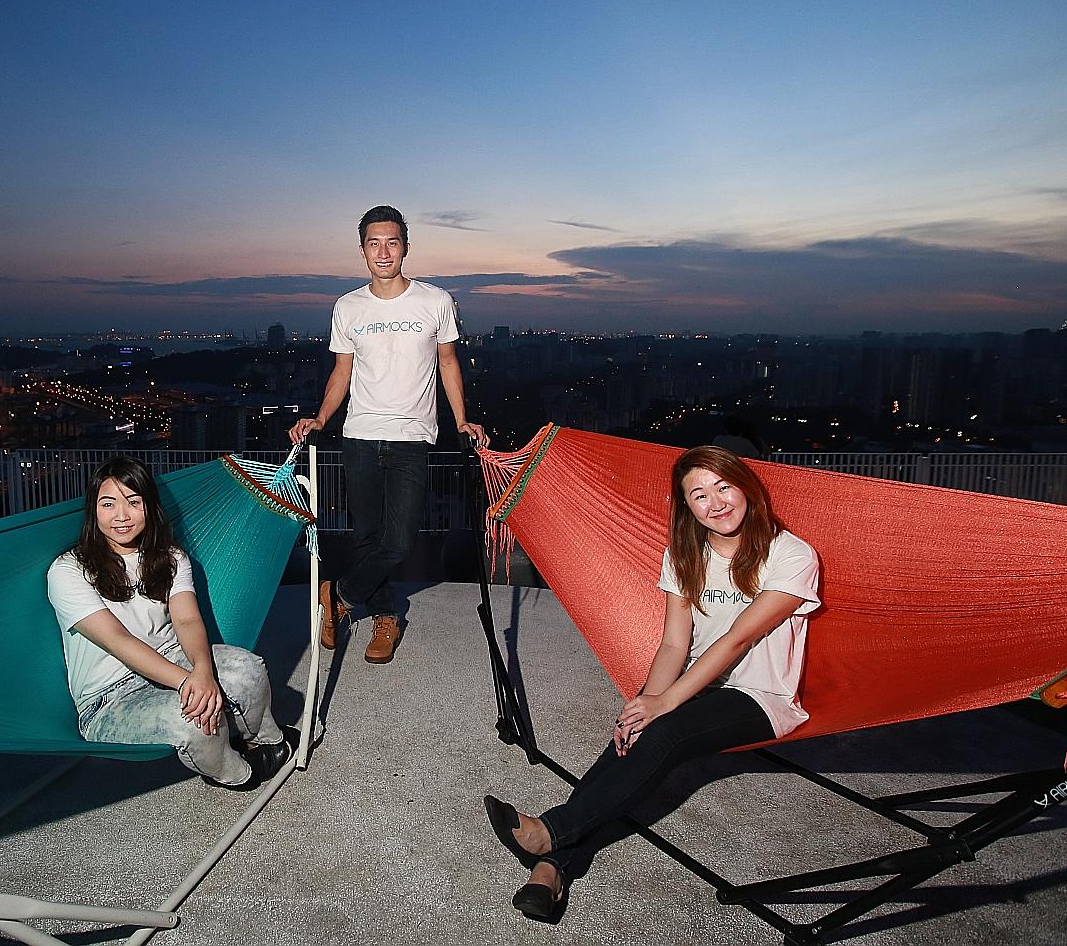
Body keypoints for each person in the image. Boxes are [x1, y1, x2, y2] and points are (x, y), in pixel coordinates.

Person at [481, 445, 820, 921]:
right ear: (687, 507)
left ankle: (550, 833)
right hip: (696, 685)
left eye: (723, 486)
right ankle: (553, 868)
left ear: (746, 487)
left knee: (664, 730)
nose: (716, 502)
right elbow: (672, 647)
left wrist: (664, 705)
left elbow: (738, 640)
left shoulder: (791, 553)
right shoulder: (685, 555)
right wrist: (643, 702)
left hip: (761, 697)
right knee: (633, 739)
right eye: (699, 495)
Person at [289, 205, 488, 664]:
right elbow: (342, 373)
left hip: (412, 437)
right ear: (362, 251)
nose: (383, 251)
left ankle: (337, 597)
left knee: (397, 542)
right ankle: (384, 617)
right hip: (358, 435)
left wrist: (460, 419)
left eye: (392, 242)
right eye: (374, 243)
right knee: (366, 537)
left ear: (406, 248)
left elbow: (448, 363)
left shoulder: (435, 301)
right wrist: (321, 418)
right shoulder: (348, 306)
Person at [46, 456, 292, 790]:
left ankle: (269, 739)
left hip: (171, 658)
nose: (121, 516)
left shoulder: (170, 557)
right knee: (192, 722)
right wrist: (188, 683)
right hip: (108, 698)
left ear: (149, 506)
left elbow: (188, 619)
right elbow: (118, 640)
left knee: (248, 667)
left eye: (134, 502)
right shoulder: (68, 570)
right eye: (108, 503)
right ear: (93, 509)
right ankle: (238, 774)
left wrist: (202, 671)